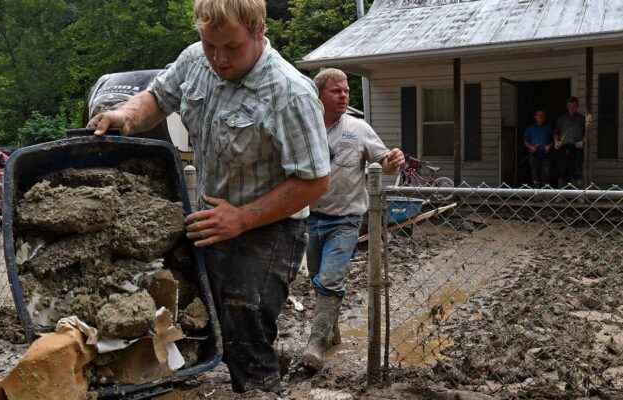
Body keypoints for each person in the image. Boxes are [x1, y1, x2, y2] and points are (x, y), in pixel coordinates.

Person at [87, 0, 330, 393]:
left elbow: (315, 180)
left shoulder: (290, 93)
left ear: (259, 31)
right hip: (212, 218)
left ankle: (259, 388)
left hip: (269, 229)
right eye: (209, 45)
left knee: (244, 331)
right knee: (195, 317)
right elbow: (157, 97)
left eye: (231, 48)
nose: (218, 58)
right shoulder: (194, 61)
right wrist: (125, 116)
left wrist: (242, 218)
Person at [302, 68, 404, 371]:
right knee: (317, 280)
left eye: (346, 90)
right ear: (319, 95)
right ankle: (331, 333)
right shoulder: (305, 127)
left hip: (345, 219)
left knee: (331, 279)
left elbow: (383, 162)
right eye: (336, 91)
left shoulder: (358, 128)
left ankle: (316, 343)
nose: (344, 95)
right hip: (310, 218)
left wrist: (391, 161)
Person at [555, 97, 588, 185]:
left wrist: (583, 141)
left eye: (574, 106)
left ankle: (579, 195)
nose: (572, 108)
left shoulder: (582, 119)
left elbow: (587, 134)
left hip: (577, 147)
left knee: (577, 171)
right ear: (567, 106)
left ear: (577, 106)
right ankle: (561, 195)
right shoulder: (561, 119)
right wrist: (556, 142)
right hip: (564, 147)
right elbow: (556, 133)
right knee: (563, 171)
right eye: (570, 106)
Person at [524, 110, 553, 186]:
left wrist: (549, 146)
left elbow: (554, 139)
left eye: (542, 116)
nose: (540, 117)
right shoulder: (530, 129)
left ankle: (545, 195)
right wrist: (531, 147)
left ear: (544, 117)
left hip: (545, 154)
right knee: (535, 174)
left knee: (546, 174)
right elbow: (526, 141)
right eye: (538, 115)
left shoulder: (548, 128)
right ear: (535, 117)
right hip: (534, 153)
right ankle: (536, 195)